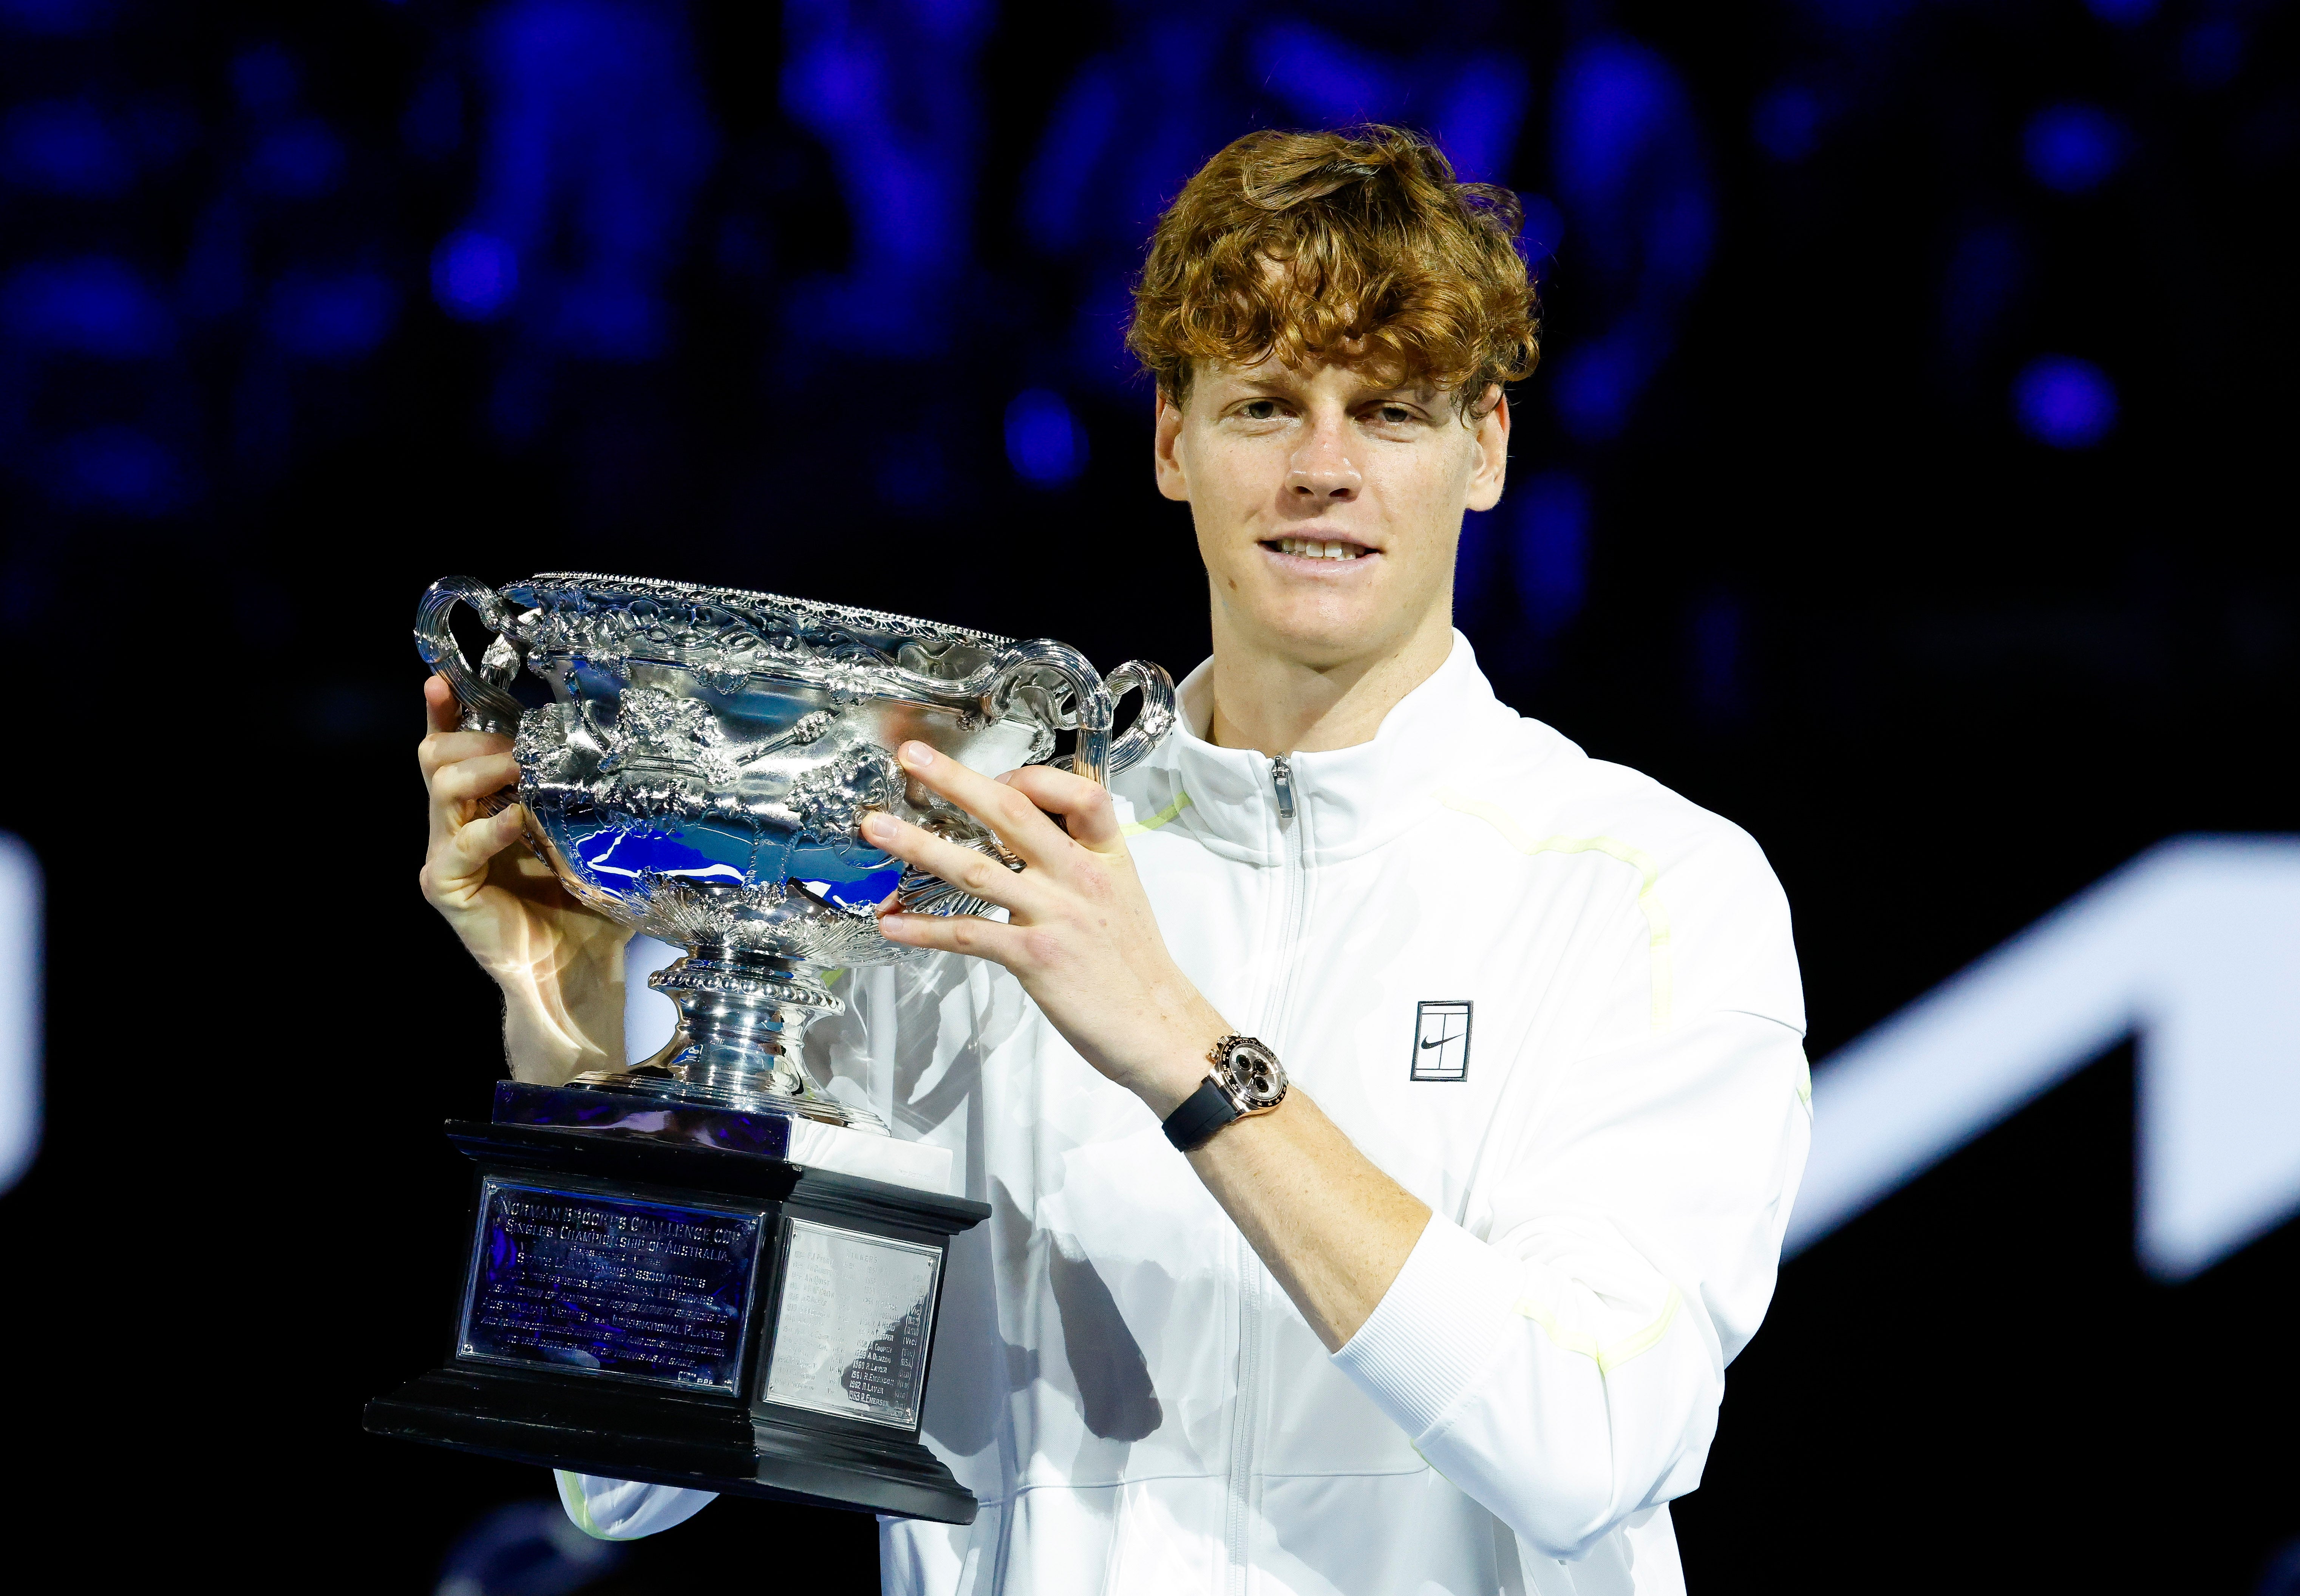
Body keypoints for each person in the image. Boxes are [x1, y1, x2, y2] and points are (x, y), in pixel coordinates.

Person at [418, 125, 1811, 1596]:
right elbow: (630, 1469)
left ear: (1486, 447)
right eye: (1264, 404)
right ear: (1171, 441)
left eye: (1389, 412)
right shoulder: (968, 861)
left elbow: (1593, 1441)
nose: (1322, 469)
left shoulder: (1652, 889)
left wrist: (1182, 1045)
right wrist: (574, 1023)